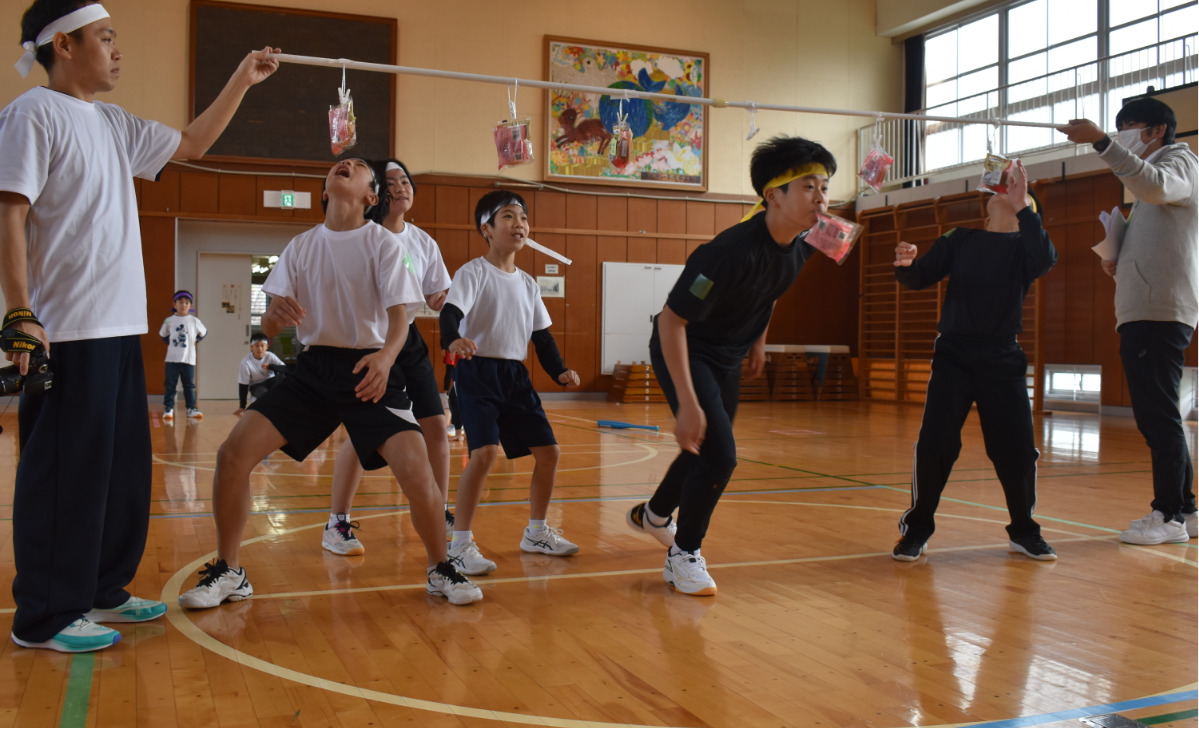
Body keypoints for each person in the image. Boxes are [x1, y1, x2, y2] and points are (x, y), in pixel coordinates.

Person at [0, 0, 278, 653]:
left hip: (119, 328)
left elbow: (192, 144)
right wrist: (19, 312)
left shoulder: (115, 124)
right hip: (65, 330)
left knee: (120, 470)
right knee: (64, 473)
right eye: (106, 37)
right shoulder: (30, 115)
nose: (118, 49)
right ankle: (42, 614)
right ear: (63, 45)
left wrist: (241, 77)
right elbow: (9, 212)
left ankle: (100, 587)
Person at [177, 158, 482, 609]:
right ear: (325, 189)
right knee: (232, 454)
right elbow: (272, 314)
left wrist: (384, 359)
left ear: (369, 198)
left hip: (368, 370)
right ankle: (231, 571)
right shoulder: (301, 246)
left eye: (359, 167)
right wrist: (270, 316)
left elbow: (402, 319)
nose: (348, 164)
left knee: (418, 472)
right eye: (342, 163)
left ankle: (440, 567)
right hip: (313, 370)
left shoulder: (383, 244)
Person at [623, 136, 835, 596]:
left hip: (730, 354)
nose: (821, 197)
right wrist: (686, 403)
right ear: (772, 195)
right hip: (687, 346)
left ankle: (654, 515)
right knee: (721, 454)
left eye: (824, 186)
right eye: (808, 186)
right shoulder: (727, 252)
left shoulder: (806, 242)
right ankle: (683, 554)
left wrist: (758, 340)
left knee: (704, 448)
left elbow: (771, 291)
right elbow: (672, 323)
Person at [890, 160, 1058, 562]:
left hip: (1004, 358)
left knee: (1016, 449)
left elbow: (1045, 258)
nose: (1001, 195)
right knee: (936, 445)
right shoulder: (959, 238)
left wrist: (1023, 206)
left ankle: (1024, 530)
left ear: (1026, 211)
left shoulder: (1025, 247)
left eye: (1016, 197)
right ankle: (916, 529)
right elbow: (918, 278)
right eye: (1000, 193)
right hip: (955, 356)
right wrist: (906, 263)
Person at [1057, 99, 1198, 545]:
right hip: (1147, 309)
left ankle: (1168, 516)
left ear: (1157, 130)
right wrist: (1121, 257)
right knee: (1161, 416)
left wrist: (1100, 141)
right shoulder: (1148, 178)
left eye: (1128, 128)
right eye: (1115, 130)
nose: (1121, 136)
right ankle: (1188, 511)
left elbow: (1157, 186)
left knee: (1158, 417)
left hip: (1159, 312)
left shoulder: (1179, 161)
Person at [439, 190, 581, 576]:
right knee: (484, 454)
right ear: (486, 229)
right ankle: (461, 544)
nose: (518, 223)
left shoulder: (529, 283)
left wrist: (560, 371)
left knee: (549, 453)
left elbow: (542, 337)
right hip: (477, 373)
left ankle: (536, 532)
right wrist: (451, 339)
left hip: (515, 377)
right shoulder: (473, 272)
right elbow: (450, 313)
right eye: (507, 216)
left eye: (522, 217)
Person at [322, 157, 456, 557]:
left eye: (407, 180)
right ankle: (337, 522)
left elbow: (435, 293)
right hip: (371, 341)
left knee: (437, 424)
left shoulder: (422, 241)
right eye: (392, 181)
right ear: (376, 193)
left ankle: (440, 510)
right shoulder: (363, 234)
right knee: (364, 433)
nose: (402, 187)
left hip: (407, 339)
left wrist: (446, 299)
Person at [159, 289, 207, 421]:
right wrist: (171, 344)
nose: (183, 305)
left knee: (189, 385)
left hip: (188, 359)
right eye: (180, 302)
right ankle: (168, 408)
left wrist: (196, 340)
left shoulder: (194, 321)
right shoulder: (169, 320)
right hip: (172, 359)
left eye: (187, 302)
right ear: (175, 304)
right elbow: (163, 335)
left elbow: (203, 333)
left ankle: (191, 408)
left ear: (190, 305)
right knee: (170, 384)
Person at [233, 331, 286, 416]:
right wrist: (242, 406)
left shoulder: (270, 356)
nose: (260, 349)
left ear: (267, 347)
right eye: (257, 346)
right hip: (257, 385)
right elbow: (243, 384)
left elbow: (284, 368)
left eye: (262, 346)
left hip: (271, 381)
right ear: (251, 347)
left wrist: (270, 366)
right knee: (265, 395)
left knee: (282, 377)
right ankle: (256, 403)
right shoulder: (246, 362)